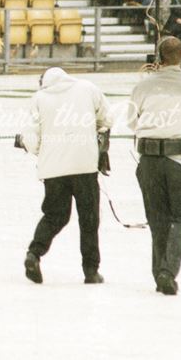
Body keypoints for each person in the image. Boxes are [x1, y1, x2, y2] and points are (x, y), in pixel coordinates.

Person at [18, 68, 113, 285]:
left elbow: (31, 137)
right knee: (89, 219)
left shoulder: (39, 98)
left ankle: (34, 253)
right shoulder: (87, 88)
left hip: (53, 169)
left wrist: (41, 151)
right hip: (84, 165)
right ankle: (91, 271)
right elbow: (107, 118)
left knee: (55, 216)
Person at [128, 36, 181, 295]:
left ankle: (159, 270)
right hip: (179, 158)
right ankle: (167, 270)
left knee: (157, 219)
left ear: (158, 57)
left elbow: (131, 120)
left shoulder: (144, 86)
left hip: (149, 159)